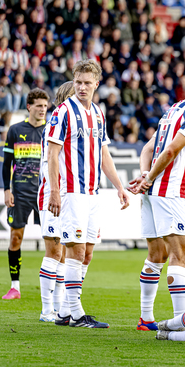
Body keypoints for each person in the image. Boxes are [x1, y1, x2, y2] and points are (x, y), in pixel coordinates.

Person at [127, 63, 185, 331]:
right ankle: (182, 322)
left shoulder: (172, 111)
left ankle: (146, 318)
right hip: (171, 192)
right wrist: (149, 178)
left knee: (156, 254)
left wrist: (146, 176)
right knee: (180, 254)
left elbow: (148, 148)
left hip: (153, 194)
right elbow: (170, 151)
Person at [47, 59, 130, 328]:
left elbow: (103, 154)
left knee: (88, 253)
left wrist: (119, 186)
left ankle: (63, 310)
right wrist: (55, 191)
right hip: (72, 192)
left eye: (87, 83)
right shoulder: (62, 112)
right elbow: (53, 153)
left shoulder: (98, 113)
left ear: (97, 83)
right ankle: (75, 312)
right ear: (74, 82)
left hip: (94, 193)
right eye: (78, 82)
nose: (82, 87)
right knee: (75, 248)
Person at [1, 88, 49, 300]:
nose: (43, 110)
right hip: (20, 193)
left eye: (45, 106)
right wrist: (6, 189)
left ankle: (53, 288)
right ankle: (15, 286)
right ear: (29, 107)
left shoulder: (51, 131)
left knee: (52, 240)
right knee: (15, 238)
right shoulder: (15, 130)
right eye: (39, 106)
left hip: (45, 193)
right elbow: (7, 163)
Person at [37, 81, 75, 322]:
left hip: (67, 195)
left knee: (62, 253)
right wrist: (55, 191)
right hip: (53, 194)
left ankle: (61, 309)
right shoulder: (56, 122)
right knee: (53, 251)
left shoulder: (70, 123)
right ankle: (46, 310)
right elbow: (50, 161)